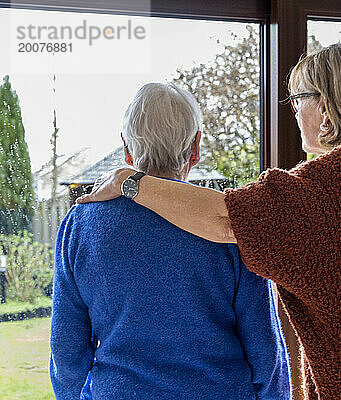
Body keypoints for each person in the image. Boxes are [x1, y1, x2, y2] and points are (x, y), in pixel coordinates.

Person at [79, 37, 341, 399]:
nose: (294, 111)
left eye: (298, 99)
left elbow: (225, 218)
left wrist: (129, 181)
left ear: (326, 110)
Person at [50, 83, 291, 400]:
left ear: (127, 149)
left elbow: (66, 352)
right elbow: (264, 348)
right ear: (196, 147)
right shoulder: (225, 223)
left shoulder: (79, 225)